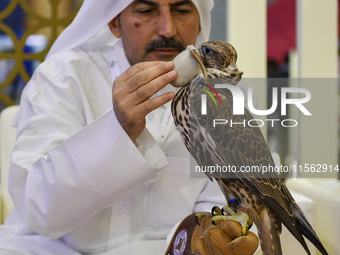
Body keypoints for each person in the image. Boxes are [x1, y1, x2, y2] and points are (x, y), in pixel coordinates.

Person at [0, 0, 258, 254]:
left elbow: (228, 200)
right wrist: (118, 129)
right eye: (146, 11)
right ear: (114, 21)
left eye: (181, 10)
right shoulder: (65, 78)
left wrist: (202, 233)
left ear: (200, 20)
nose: (167, 29)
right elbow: (40, 210)